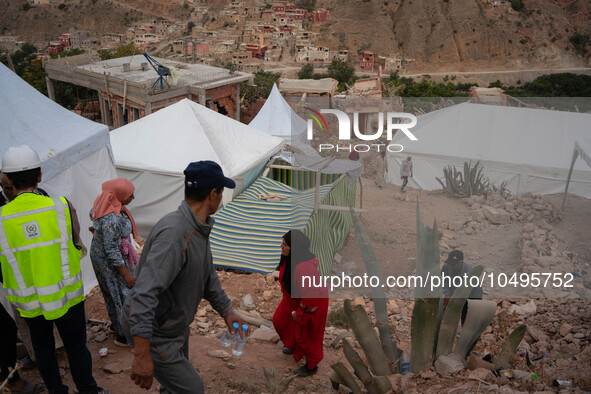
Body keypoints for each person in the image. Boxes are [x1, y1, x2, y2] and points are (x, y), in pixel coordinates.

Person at [122, 160, 245, 393]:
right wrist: (141, 355)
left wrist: (227, 311)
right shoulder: (175, 235)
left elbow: (206, 275)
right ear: (213, 194)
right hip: (156, 330)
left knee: (174, 386)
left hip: (173, 326)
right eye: (222, 191)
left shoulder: (197, 228)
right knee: (192, 389)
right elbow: (144, 295)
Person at [0, 145, 105, 394]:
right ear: (39, 176)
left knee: (43, 350)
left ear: (9, 181)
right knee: (76, 348)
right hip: (66, 294)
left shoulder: (2, 217)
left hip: (29, 301)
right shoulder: (61, 206)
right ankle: (88, 390)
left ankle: (57, 391)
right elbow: (76, 241)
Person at [0, 172, 43, 394]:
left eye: (10, 187)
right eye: (6, 188)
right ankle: (14, 375)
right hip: (21, 285)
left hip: (40, 282)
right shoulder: (4, 210)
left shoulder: (42, 201)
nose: (10, 192)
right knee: (14, 326)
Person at [90, 178, 139, 347]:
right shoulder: (111, 218)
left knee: (112, 292)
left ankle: (117, 324)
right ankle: (125, 334)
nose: (133, 198)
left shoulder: (105, 204)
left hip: (102, 255)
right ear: (119, 194)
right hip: (110, 260)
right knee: (121, 293)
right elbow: (112, 249)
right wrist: (126, 274)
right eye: (130, 195)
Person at [273, 230, 329, 377]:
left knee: (308, 336)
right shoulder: (289, 259)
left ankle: (311, 365)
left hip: (312, 304)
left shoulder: (305, 269)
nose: (281, 247)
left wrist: (300, 314)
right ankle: (292, 346)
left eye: (285, 244)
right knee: (280, 321)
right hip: (293, 300)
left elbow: (311, 297)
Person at [442, 250, 483, 325]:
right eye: (450, 263)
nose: (451, 266)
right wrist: (447, 294)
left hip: (470, 295)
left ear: (461, 263)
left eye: (453, 264)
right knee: (444, 309)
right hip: (453, 293)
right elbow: (444, 281)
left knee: (466, 315)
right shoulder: (446, 267)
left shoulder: (469, 271)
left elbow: (476, 291)